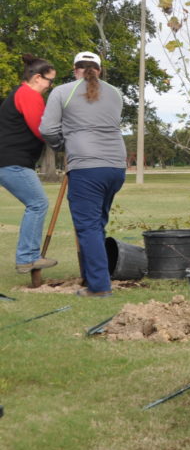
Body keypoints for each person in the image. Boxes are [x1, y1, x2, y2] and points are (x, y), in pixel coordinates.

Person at [40, 51, 126, 297]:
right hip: (116, 167)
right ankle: (93, 276)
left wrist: (61, 146)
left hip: (87, 167)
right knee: (97, 224)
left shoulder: (62, 92)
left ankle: (99, 287)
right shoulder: (115, 93)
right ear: (99, 69)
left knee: (87, 227)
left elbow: (48, 128)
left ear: (74, 68)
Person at [0, 55, 59, 275]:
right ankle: (27, 258)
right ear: (36, 78)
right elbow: (41, 129)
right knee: (37, 203)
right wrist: (63, 141)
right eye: (49, 81)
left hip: (10, 161)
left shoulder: (20, 93)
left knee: (36, 203)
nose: (50, 86)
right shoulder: (29, 94)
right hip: (12, 162)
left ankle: (29, 256)